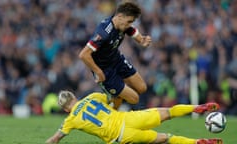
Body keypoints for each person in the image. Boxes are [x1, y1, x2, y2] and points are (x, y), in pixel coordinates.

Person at [45, 90, 223, 144]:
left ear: (65, 109)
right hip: (127, 118)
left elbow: (55, 139)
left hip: (121, 136)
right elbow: (113, 103)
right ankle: (197, 107)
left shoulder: (70, 120)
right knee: (168, 112)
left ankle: (197, 142)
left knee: (166, 139)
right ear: (74, 97)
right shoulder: (92, 97)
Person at [79, 2, 152, 109]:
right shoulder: (104, 32)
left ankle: (116, 93)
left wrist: (141, 39)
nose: (129, 24)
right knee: (134, 98)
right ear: (120, 16)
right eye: (129, 21)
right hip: (104, 70)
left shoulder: (122, 23)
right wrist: (98, 72)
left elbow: (131, 30)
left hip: (117, 60)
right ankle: (108, 105)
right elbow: (83, 55)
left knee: (142, 88)